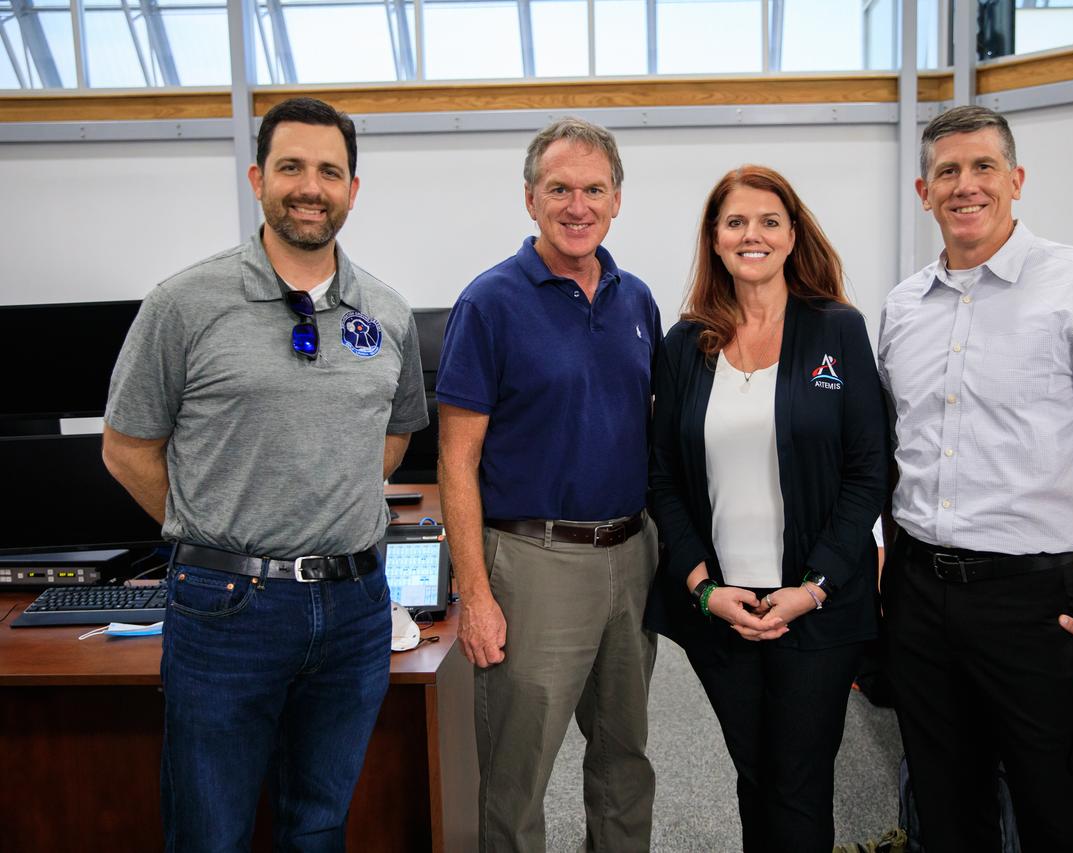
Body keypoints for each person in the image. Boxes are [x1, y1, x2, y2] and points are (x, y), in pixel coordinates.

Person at [102, 96, 429, 852]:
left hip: (353, 606)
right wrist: (213, 529)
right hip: (227, 607)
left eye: (329, 171)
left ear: (353, 189)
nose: (310, 187)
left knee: (318, 825)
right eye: (291, 167)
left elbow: (395, 433)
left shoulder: (386, 311)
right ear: (257, 178)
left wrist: (327, 500)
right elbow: (126, 448)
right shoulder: (184, 303)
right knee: (210, 833)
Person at [878, 105, 1073, 853]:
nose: (965, 185)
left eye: (982, 167)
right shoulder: (902, 308)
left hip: (1034, 605)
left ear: (1016, 179)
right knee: (944, 812)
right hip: (917, 593)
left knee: (1055, 816)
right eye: (947, 171)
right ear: (923, 190)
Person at [435, 117, 663, 853]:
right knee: (517, 773)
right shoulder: (490, 302)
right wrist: (475, 594)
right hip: (533, 563)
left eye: (594, 188)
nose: (577, 205)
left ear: (618, 199)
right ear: (530, 198)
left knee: (625, 759)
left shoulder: (637, 301)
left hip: (631, 555)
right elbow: (455, 461)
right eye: (559, 188)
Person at [646, 165, 888, 852]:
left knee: (798, 781)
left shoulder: (837, 330)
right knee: (756, 775)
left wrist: (812, 588)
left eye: (768, 221)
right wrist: (703, 588)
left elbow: (868, 472)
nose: (752, 234)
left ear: (791, 235)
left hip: (818, 602)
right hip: (723, 608)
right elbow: (662, 478)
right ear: (715, 240)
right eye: (735, 222)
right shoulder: (685, 345)